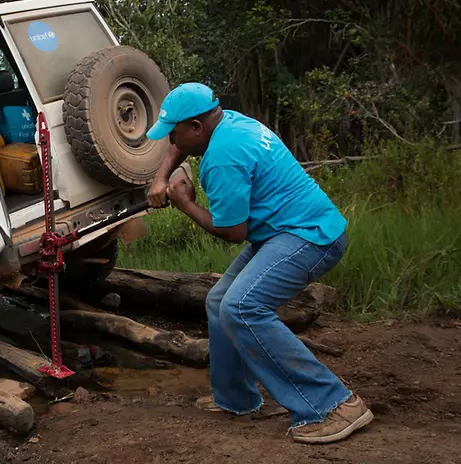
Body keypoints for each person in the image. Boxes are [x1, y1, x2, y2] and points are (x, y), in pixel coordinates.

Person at [145, 82, 372, 444]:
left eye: (174, 134)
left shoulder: (222, 158)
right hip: (285, 231)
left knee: (242, 306)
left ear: (197, 128)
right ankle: (236, 400)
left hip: (310, 236)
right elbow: (177, 151)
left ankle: (333, 405)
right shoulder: (229, 120)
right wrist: (159, 178)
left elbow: (234, 231)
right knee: (220, 302)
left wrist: (184, 203)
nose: (171, 143)